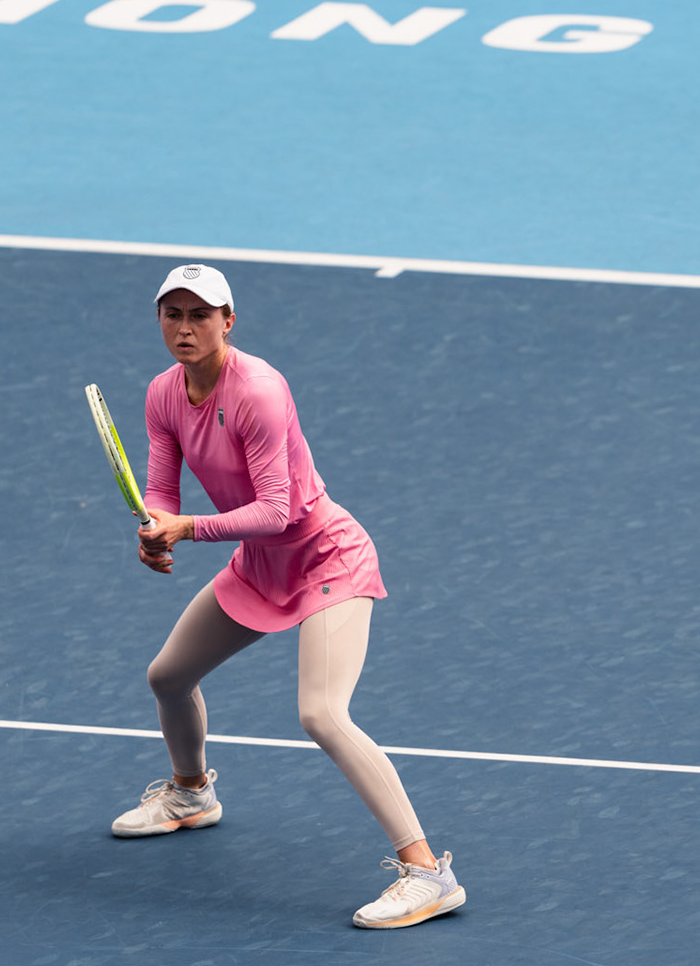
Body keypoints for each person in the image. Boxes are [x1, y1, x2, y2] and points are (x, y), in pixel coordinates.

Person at [109, 263, 464, 930]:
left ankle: (430, 874)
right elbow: (161, 488)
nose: (185, 328)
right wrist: (157, 529)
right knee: (168, 676)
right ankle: (191, 794)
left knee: (322, 714)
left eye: (201, 315)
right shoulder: (163, 394)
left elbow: (276, 510)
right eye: (173, 315)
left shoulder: (260, 392)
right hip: (261, 566)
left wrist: (190, 528)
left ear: (228, 321)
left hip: (326, 559)